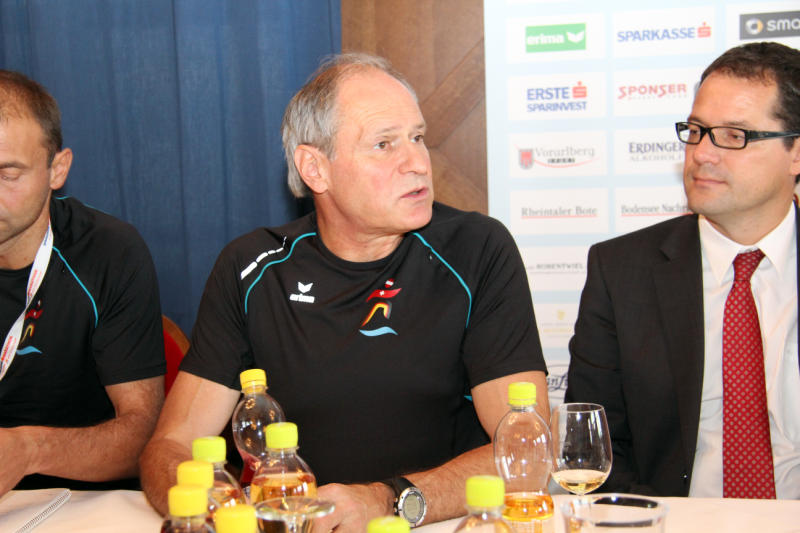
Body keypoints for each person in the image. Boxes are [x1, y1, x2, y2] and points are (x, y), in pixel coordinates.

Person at [140, 53, 548, 530]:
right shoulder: (251, 268)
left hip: (437, 523)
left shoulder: (477, 249)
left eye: (418, 137)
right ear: (315, 168)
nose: (418, 162)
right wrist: (213, 510)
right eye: (384, 144)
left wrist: (388, 500)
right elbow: (170, 446)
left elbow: (527, 453)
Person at [565, 41, 800, 498]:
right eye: (696, 131)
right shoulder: (621, 272)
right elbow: (594, 453)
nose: (703, 153)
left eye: (734, 135)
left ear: (796, 154)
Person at [0, 70, 166, 495]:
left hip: (83, 502)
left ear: (57, 169)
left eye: (7, 174)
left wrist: (29, 450)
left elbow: (143, 437)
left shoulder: (109, 252)